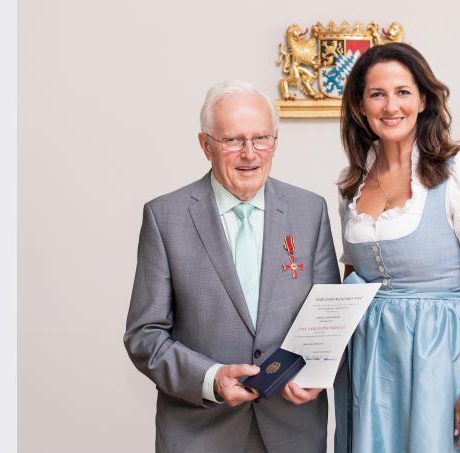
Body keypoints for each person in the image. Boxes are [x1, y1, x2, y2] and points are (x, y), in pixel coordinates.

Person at [124, 80, 340, 453]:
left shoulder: (310, 211)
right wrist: (211, 378)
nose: (250, 153)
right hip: (200, 433)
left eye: (261, 138)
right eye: (233, 140)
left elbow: (327, 320)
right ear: (205, 145)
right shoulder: (165, 217)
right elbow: (145, 335)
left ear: (275, 141)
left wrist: (318, 373)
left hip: (293, 429)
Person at [334, 43, 460, 452]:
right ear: (361, 106)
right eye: (377, 94)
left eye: (402, 92)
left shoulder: (458, 171)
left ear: (423, 99)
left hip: (441, 359)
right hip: (370, 364)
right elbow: (349, 284)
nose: (390, 106)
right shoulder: (351, 182)